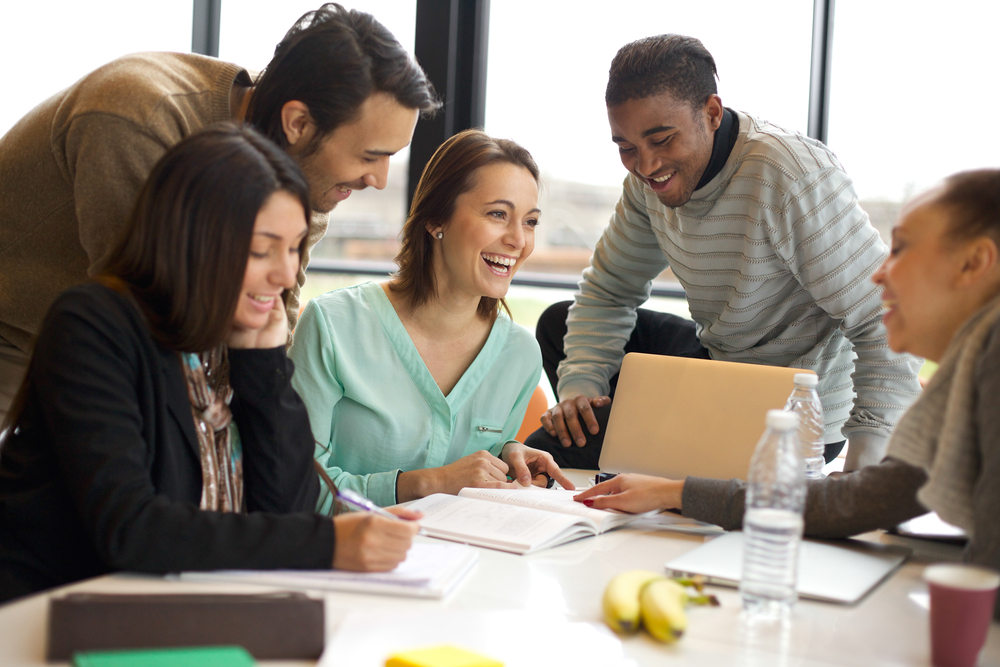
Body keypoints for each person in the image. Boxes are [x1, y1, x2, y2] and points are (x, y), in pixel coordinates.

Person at [0, 125, 420, 604]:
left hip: (177, 606)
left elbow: (286, 508)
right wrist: (328, 543)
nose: (285, 274)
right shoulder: (95, 325)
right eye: (263, 249)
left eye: (293, 248)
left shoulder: (232, 337)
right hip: (50, 613)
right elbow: (130, 528)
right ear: (193, 240)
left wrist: (262, 369)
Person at [574, 170, 1000, 616]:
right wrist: (673, 492)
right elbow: (862, 501)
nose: (879, 275)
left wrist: (676, 491)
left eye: (901, 249)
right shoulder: (971, 373)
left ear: (974, 263)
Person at [0, 3, 440, 422]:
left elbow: (270, 337)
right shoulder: (140, 118)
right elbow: (150, 325)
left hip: (67, 341)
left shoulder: (302, 170)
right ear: (298, 123)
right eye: (370, 156)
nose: (379, 180)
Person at [530, 34, 921, 472]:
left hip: (789, 408)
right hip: (719, 364)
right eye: (627, 148)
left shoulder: (789, 175)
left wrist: (864, 465)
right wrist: (579, 389)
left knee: (547, 450)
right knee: (558, 324)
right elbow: (608, 291)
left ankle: (660, 452)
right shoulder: (647, 186)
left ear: (711, 113)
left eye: (662, 140)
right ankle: (645, 442)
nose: (645, 166)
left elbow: (885, 318)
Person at [289, 130, 574, 511]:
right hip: (335, 560)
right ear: (436, 218)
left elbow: (471, 486)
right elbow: (293, 488)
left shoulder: (518, 355)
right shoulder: (333, 326)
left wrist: (507, 461)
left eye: (531, 221)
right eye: (497, 214)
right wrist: (428, 483)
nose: (518, 240)